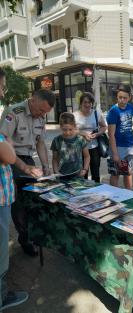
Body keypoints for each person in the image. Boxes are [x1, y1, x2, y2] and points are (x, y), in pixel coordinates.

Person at [0, 89, 55, 257]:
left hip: (28, 160)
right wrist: (23, 167)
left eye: (46, 112)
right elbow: (3, 145)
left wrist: (45, 165)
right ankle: (25, 240)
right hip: (11, 161)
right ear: (32, 101)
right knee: (19, 206)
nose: (42, 115)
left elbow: (40, 143)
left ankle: (33, 234)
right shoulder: (14, 112)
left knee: (34, 200)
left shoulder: (40, 115)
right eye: (41, 110)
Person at [0, 68, 28, 311]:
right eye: (1, 87)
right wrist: (8, 146)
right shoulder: (13, 112)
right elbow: (8, 154)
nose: (2, 92)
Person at [106, 84, 133, 189]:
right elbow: (111, 135)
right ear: (117, 97)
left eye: (125, 98)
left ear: (129, 98)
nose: (122, 100)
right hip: (117, 147)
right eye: (120, 97)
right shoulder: (113, 111)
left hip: (130, 146)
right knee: (115, 173)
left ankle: (129, 196)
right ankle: (114, 197)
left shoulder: (131, 107)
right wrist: (115, 153)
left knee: (128, 173)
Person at [74, 92, 107, 183]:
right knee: (83, 173)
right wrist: (83, 134)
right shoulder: (74, 115)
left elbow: (104, 127)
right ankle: (84, 192)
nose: (88, 104)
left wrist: (97, 134)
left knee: (95, 173)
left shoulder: (97, 113)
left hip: (94, 147)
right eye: (85, 102)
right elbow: (71, 130)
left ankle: (96, 192)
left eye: (90, 102)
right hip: (80, 148)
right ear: (81, 103)